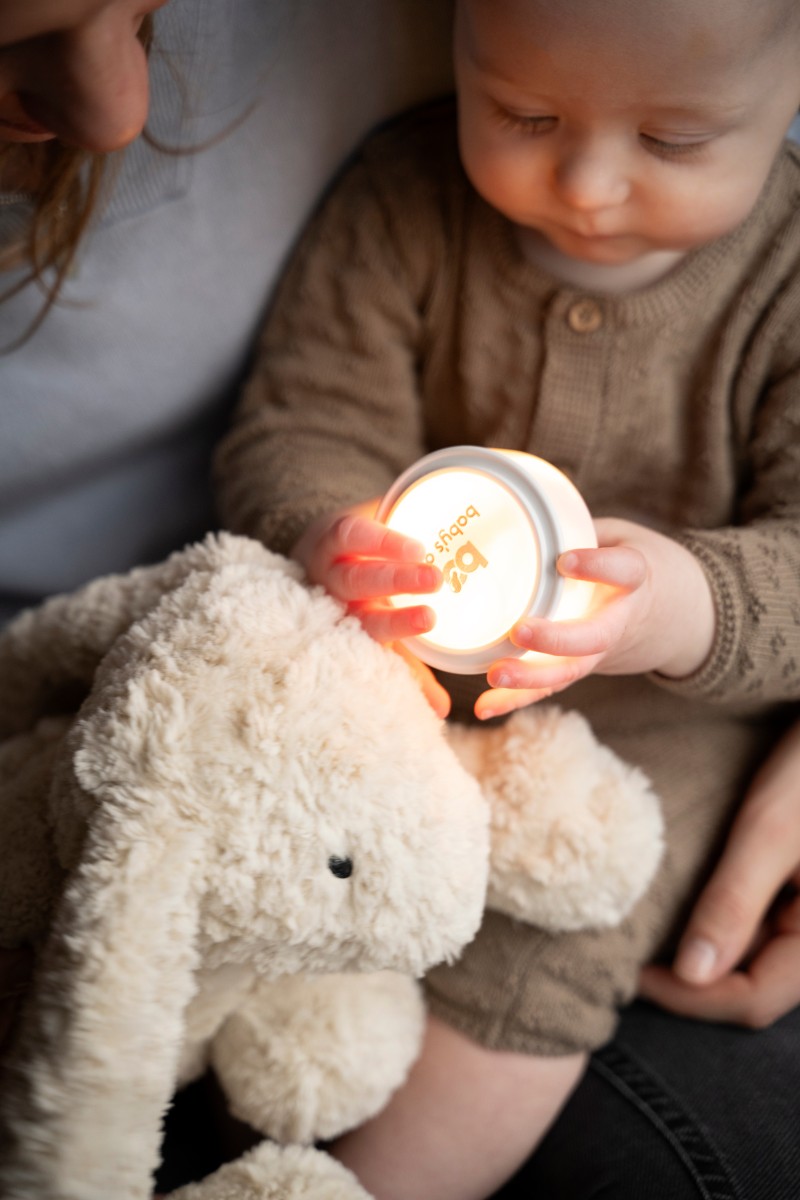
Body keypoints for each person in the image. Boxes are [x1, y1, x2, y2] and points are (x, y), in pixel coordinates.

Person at [214, 0, 800, 1197]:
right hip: (391, 656)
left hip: (662, 728)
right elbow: (306, 417)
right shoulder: (403, 196)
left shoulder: (781, 281)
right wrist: (332, 531)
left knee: (553, 929)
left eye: (674, 139)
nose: (584, 180)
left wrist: (678, 606)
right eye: (522, 112)